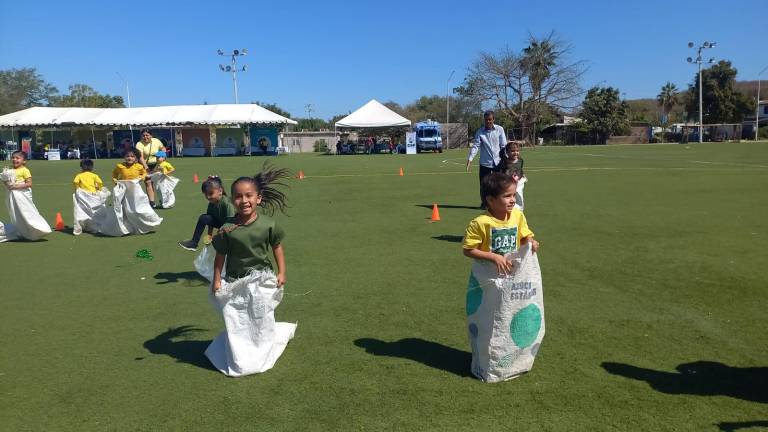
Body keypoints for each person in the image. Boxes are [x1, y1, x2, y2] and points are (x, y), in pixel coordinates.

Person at [211, 164, 290, 292]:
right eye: (238, 196)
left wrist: (281, 272)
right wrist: (217, 280)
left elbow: (277, 247)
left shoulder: (268, 224)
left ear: (258, 199)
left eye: (249, 195)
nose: (243, 201)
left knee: (262, 312)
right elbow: (220, 256)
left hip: (263, 280)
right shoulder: (226, 229)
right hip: (235, 281)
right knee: (234, 313)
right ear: (231, 200)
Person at [462, 172, 538, 275]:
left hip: (512, 271)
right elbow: (468, 250)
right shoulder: (480, 223)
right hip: (488, 275)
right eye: (507, 196)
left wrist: (531, 242)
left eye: (514, 195)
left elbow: (524, 236)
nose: (513, 200)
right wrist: (493, 257)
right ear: (491, 200)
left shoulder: (517, 215)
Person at [1, 151, 51, 241]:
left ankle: (38, 229)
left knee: (26, 211)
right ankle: (22, 230)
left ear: (24, 161)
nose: (14, 159)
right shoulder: (10, 170)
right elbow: (6, 182)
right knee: (17, 213)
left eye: (17, 158)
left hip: (22, 194)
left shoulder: (25, 170)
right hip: (13, 195)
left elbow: (29, 184)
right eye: (13, 157)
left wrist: (16, 186)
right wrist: (7, 181)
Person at [178, 176, 236, 251]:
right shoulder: (211, 203)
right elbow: (209, 220)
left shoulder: (227, 203)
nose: (208, 197)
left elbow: (230, 221)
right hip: (221, 223)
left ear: (220, 191)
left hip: (233, 225)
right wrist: (209, 236)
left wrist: (219, 233)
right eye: (206, 194)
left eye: (211, 193)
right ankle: (194, 243)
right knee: (204, 217)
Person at [466, 111, 507, 208]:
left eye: (490, 119)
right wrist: (470, 159)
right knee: (484, 185)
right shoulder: (480, 132)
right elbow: (476, 146)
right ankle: (485, 203)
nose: (488, 121)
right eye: (486, 120)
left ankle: (499, 202)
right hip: (485, 163)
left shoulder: (500, 129)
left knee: (499, 184)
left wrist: (506, 158)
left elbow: (503, 145)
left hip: (498, 162)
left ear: (493, 120)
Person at [72, 159, 108, 236]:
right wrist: (99, 188)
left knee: (83, 210)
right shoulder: (94, 175)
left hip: (83, 195)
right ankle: (94, 227)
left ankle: (82, 226)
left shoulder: (79, 175)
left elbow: (75, 182)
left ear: (81, 167)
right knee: (93, 210)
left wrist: (77, 188)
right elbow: (100, 182)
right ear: (92, 167)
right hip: (93, 194)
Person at [135, 129, 163, 207]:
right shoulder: (139, 144)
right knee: (148, 182)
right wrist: (146, 167)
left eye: (147, 135)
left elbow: (163, 148)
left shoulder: (156, 141)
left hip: (156, 165)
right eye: (143, 135)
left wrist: (162, 156)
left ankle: (163, 200)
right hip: (144, 165)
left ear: (151, 136)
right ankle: (152, 202)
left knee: (159, 184)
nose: (145, 137)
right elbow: (140, 157)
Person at [499, 141, 527, 210]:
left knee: (519, 195)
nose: (515, 153)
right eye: (512, 151)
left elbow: (520, 170)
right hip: (508, 182)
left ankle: (519, 210)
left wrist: (520, 176)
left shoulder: (520, 160)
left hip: (518, 182)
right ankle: (508, 208)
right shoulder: (505, 162)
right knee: (508, 196)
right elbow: (502, 172)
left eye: (517, 151)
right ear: (507, 152)